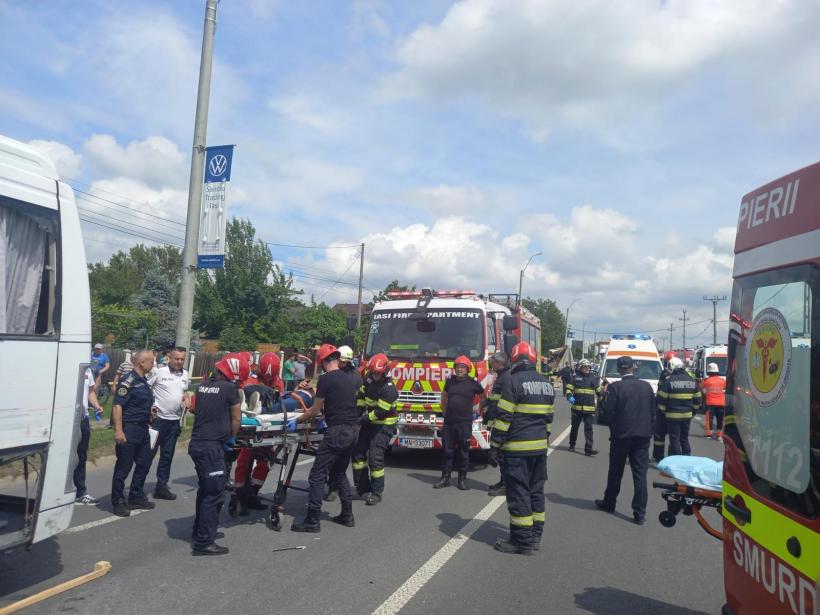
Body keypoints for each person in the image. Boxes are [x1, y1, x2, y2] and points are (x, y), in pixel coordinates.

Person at [489, 341, 554, 555]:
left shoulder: (512, 381)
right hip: (539, 449)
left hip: (517, 449)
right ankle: (535, 536)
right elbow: (549, 420)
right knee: (536, 492)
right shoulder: (546, 383)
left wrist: (495, 445)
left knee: (519, 494)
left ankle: (521, 541)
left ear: (514, 360)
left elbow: (504, 418)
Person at [290, 344, 361, 532]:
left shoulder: (326, 379)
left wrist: (297, 420)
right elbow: (339, 404)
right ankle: (347, 515)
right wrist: (325, 416)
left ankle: (312, 521)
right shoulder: (348, 378)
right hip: (353, 430)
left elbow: (314, 409)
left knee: (317, 475)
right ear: (336, 359)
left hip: (337, 432)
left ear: (322, 362)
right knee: (339, 473)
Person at [188, 354, 246, 555]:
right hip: (212, 448)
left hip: (197, 445)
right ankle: (204, 542)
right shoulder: (231, 389)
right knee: (214, 493)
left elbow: (197, 409)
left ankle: (201, 530)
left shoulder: (203, 386)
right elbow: (236, 418)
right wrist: (232, 436)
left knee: (204, 490)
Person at [595, 356, 655, 525]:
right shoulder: (646, 386)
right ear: (633, 367)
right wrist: (649, 430)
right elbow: (653, 412)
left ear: (620, 369)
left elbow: (606, 414)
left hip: (621, 436)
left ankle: (609, 503)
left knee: (615, 472)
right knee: (640, 475)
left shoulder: (615, 387)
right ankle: (639, 513)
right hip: (642, 436)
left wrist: (603, 396)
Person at [232, 352, 286, 514]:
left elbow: (279, 404)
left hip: (268, 430)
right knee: (244, 460)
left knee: (264, 462)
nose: (269, 381)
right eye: (266, 378)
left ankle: (253, 493)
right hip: (249, 430)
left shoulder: (278, 382)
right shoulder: (250, 380)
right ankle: (239, 494)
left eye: (271, 378)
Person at [110, 350, 156, 517]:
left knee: (144, 463)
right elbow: (117, 406)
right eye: (151, 361)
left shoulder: (143, 380)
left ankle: (136, 495)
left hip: (143, 429)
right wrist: (119, 430)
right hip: (129, 429)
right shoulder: (128, 380)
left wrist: (150, 412)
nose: (153, 364)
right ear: (141, 363)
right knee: (124, 467)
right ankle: (118, 501)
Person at [434, 355, 485, 491]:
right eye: (457, 367)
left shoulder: (473, 383)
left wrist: (479, 409)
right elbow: (444, 395)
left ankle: (462, 480)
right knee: (447, 451)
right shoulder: (450, 381)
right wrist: (444, 410)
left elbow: (483, 396)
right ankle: (445, 478)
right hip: (449, 422)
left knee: (463, 452)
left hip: (465, 424)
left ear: (468, 369)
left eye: (462, 367)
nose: (460, 369)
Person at [352, 353, 397, 505]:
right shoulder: (368, 380)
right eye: (373, 372)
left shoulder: (389, 389)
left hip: (384, 424)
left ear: (384, 371)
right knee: (358, 453)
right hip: (369, 422)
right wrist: (357, 412)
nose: (376, 376)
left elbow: (380, 412)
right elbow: (361, 397)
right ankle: (362, 488)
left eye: (378, 373)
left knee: (375, 457)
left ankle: (377, 493)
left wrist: (362, 419)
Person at [147, 346, 191, 501]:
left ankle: (161, 487)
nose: (179, 362)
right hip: (157, 422)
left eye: (182, 359)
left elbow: (184, 391)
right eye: (176, 358)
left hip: (174, 423)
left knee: (167, 456)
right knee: (148, 455)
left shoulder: (185, 374)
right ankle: (137, 489)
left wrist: (186, 398)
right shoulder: (158, 372)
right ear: (169, 358)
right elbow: (145, 389)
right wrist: (149, 407)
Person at [328, 345, 362, 502]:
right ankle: (333, 487)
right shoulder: (336, 373)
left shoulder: (355, 378)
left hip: (348, 422)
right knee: (334, 458)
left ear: (347, 361)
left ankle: (338, 488)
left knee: (341, 459)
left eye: (340, 360)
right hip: (335, 420)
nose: (337, 363)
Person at [656, 356, 702, 457]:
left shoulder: (669, 381)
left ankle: (677, 460)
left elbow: (661, 400)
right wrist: (692, 412)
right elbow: (698, 400)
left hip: (672, 416)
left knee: (674, 439)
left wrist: (664, 412)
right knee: (684, 438)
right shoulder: (692, 381)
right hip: (687, 416)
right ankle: (687, 456)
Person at [74, 366, 104, 505]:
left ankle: (80, 493)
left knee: (81, 456)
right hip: (68, 419)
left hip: (83, 419)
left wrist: (96, 405)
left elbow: (90, 391)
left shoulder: (87, 370)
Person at [484, 352, 510, 496]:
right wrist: (486, 405)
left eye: (492, 363)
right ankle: (502, 481)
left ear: (499, 363)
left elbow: (505, 402)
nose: (490, 365)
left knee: (502, 455)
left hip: (502, 422)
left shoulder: (506, 378)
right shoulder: (500, 376)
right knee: (500, 455)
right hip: (496, 420)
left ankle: (506, 485)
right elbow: (495, 399)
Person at [565, 358, 602, 456]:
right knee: (574, 428)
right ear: (580, 367)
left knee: (589, 429)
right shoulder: (574, 377)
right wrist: (569, 396)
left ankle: (588, 449)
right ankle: (572, 445)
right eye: (585, 367)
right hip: (576, 409)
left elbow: (598, 391)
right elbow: (568, 389)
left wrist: (602, 395)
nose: (587, 369)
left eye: (588, 367)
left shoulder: (594, 378)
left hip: (589, 409)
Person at [701, 362, 726, 440]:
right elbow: (725, 390)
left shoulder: (706, 381)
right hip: (721, 403)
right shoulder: (722, 381)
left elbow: (703, 391)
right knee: (720, 419)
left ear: (709, 372)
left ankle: (709, 434)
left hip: (710, 403)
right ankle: (719, 435)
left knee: (709, 419)